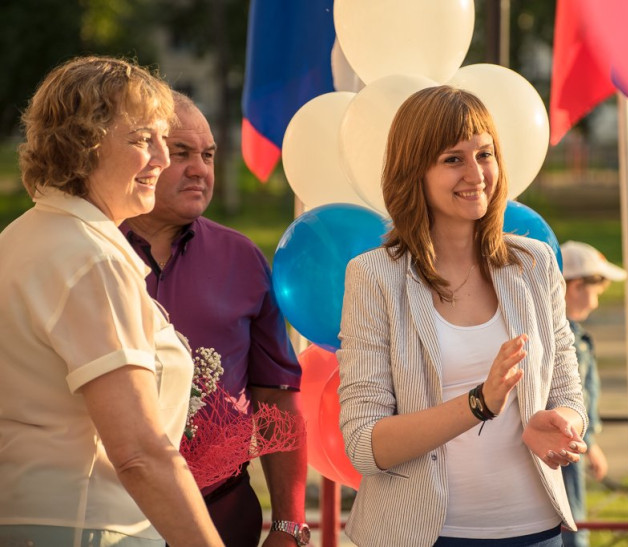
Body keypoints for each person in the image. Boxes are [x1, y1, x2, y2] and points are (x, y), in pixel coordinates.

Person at [337, 85, 588, 547]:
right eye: (453, 159)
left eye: (484, 154)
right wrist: (478, 404)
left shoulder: (535, 263)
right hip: (421, 536)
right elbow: (364, 444)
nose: (476, 174)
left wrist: (562, 424)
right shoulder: (373, 277)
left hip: (536, 531)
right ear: (414, 171)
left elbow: (568, 389)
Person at [0, 56, 222, 546]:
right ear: (83, 143)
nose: (161, 158)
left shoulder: (21, 237)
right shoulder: (91, 259)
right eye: (143, 140)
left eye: (163, 139)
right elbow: (140, 453)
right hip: (90, 526)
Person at [121, 92, 308, 547]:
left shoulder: (241, 258)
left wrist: (289, 524)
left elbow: (276, 395)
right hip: (112, 514)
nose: (200, 170)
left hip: (223, 513)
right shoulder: (88, 251)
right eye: (181, 153)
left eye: (207, 155)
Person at [559, 241, 626, 547]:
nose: (596, 303)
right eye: (596, 292)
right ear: (574, 286)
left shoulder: (571, 333)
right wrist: (591, 442)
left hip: (567, 440)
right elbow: (575, 397)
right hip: (568, 442)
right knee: (572, 521)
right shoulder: (568, 338)